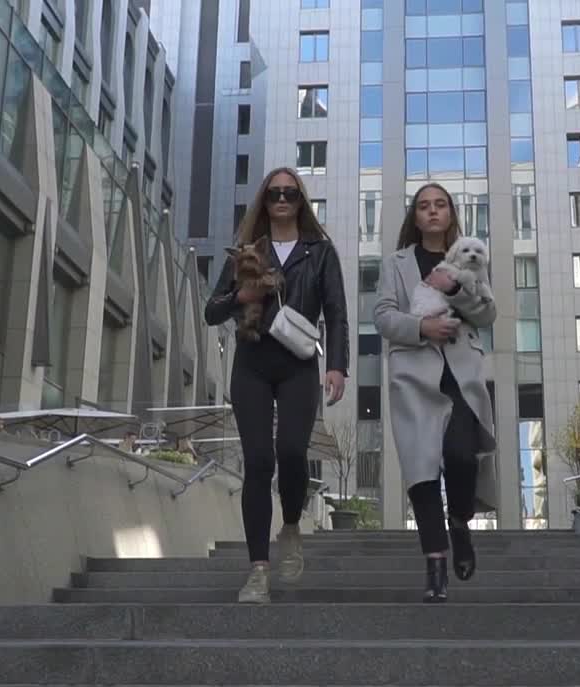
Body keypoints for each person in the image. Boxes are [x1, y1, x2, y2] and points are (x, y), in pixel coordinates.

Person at [204, 167, 349, 604]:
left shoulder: (320, 252)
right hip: (251, 362)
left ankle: (289, 526)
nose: (282, 200)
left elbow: (337, 312)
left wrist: (337, 366)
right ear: (264, 202)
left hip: (299, 364)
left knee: (290, 452)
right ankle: (258, 571)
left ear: (301, 200)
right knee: (259, 460)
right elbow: (212, 310)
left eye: (290, 193)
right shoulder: (246, 251)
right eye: (274, 194)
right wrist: (240, 299)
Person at [374, 182, 498, 603]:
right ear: (415, 215)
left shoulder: (470, 257)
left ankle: (460, 522)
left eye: (440, 205)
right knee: (422, 474)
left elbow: (488, 311)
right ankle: (436, 566)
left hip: (460, 373)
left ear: (450, 213)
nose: (432, 212)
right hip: (412, 377)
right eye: (424, 206)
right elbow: (383, 317)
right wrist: (421, 328)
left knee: (462, 456)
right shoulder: (396, 263)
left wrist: (454, 290)